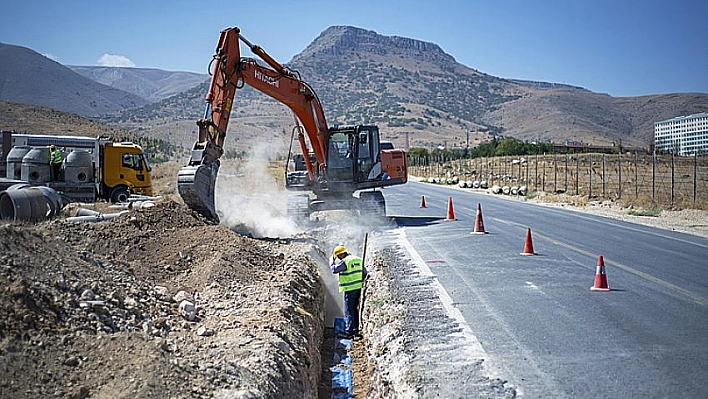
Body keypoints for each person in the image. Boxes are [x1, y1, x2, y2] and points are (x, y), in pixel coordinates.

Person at [330, 245, 367, 339]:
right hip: (358, 288)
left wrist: (331, 260)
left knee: (349, 311)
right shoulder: (357, 259)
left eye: (338, 256)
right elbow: (365, 272)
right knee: (355, 309)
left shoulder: (345, 261)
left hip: (349, 289)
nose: (338, 258)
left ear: (340, 254)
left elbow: (334, 270)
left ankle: (349, 332)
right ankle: (355, 329)